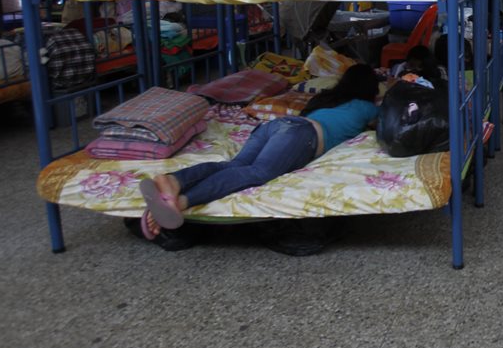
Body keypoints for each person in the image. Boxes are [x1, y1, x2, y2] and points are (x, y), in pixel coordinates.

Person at [138, 64, 381, 238]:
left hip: (276, 125)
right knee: (258, 172)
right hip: (302, 135)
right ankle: (181, 201)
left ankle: (172, 181)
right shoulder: (367, 107)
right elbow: (385, 124)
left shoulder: (328, 98)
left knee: (234, 165)